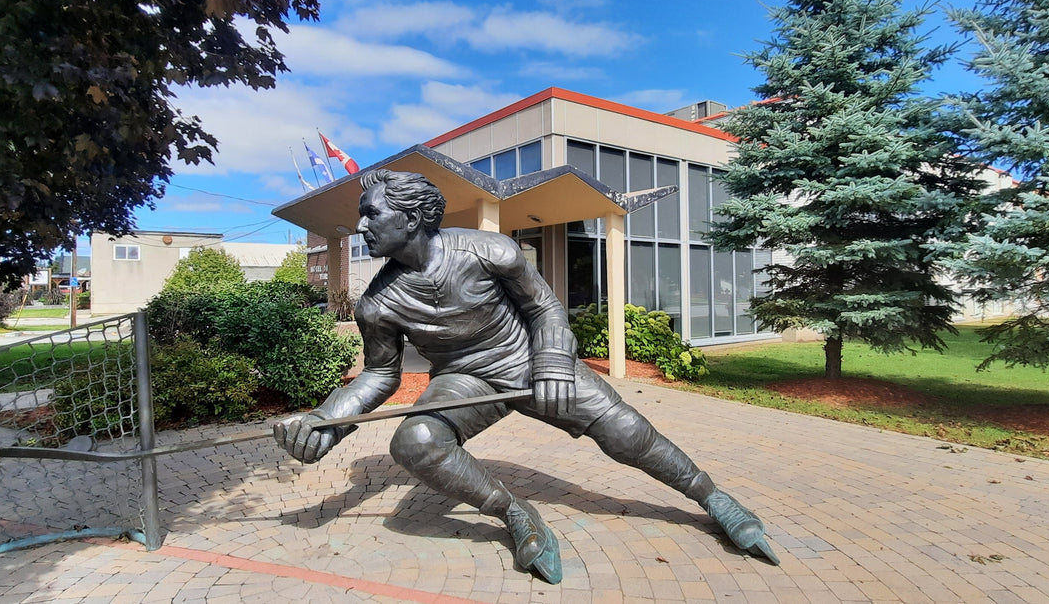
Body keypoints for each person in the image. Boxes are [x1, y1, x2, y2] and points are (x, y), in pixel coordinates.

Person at [274, 169, 777, 583]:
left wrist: (555, 362)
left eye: (372, 213)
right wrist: (325, 422)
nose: (362, 225)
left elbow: (545, 309)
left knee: (626, 432)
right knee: (416, 440)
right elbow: (379, 376)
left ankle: (712, 498)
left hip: (531, 361)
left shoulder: (489, 250)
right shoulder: (377, 303)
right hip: (463, 380)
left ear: (411, 217)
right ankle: (515, 513)